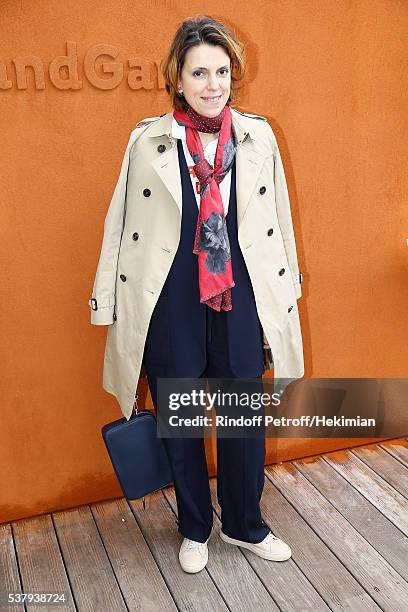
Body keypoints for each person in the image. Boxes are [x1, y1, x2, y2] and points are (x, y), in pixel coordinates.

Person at [89, 14, 304, 573]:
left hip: (241, 292)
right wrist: (106, 301)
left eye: (222, 71)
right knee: (178, 418)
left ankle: (243, 525)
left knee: (242, 416)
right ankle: (193, 527)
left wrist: (287, 293)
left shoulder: (258, 136)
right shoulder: (147, 141)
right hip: (171, 296)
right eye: (199, 72)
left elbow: (277, 220)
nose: (213, 84)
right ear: (177, 79)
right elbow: (119, 223)